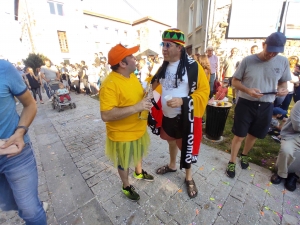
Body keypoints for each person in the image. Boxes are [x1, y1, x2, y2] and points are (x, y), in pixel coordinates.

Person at [150, 28, 210, 198]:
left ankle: (189, 177)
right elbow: (153, 85)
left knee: (186, 147)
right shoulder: (164, 66)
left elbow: (204, 91)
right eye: (163, 44)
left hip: (185, 118)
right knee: (170, 141)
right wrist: (145, 97)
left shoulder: (193, 67)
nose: (164, 48)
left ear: (179, 48)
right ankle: (172, 165)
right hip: (167, 115)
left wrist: (183, 100)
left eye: (168, 45)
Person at [225, 32, 291, 178]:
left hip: (267, 105)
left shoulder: (283, 62)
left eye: (276, 52)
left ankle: (245, 154)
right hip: (246, 103)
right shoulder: (248, 60)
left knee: (254, 134)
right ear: (263, 45)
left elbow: (283, 82)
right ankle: (232, 161)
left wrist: (282, 89)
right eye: (269, 50)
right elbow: (235, 81)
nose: (272, 54)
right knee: (239, 135)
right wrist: (248, 90)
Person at [99, 44, 154, 201]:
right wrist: (137, 106)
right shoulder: (109, 84)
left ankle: (138, 171)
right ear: (122, 64)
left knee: (138, 152)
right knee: (124, 162)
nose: (135, 59)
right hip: (122, 134)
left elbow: (133, 98)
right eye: (131, 57)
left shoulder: (131, 76)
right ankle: (126, 185)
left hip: (138, 128)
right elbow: (106, 115)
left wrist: (145, 96)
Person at [0, 60, 47, 224]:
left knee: (30, 211)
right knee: (9, 203)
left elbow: (29, 104)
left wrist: (20, 132)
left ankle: (34, 206)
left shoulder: (4, 69)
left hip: (14, 152)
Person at [270, 100, 300, 191]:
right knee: (286, 150)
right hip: (292, 135)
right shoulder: (299, 104)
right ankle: (281, 173)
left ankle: (294, 176)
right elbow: (297, 125)